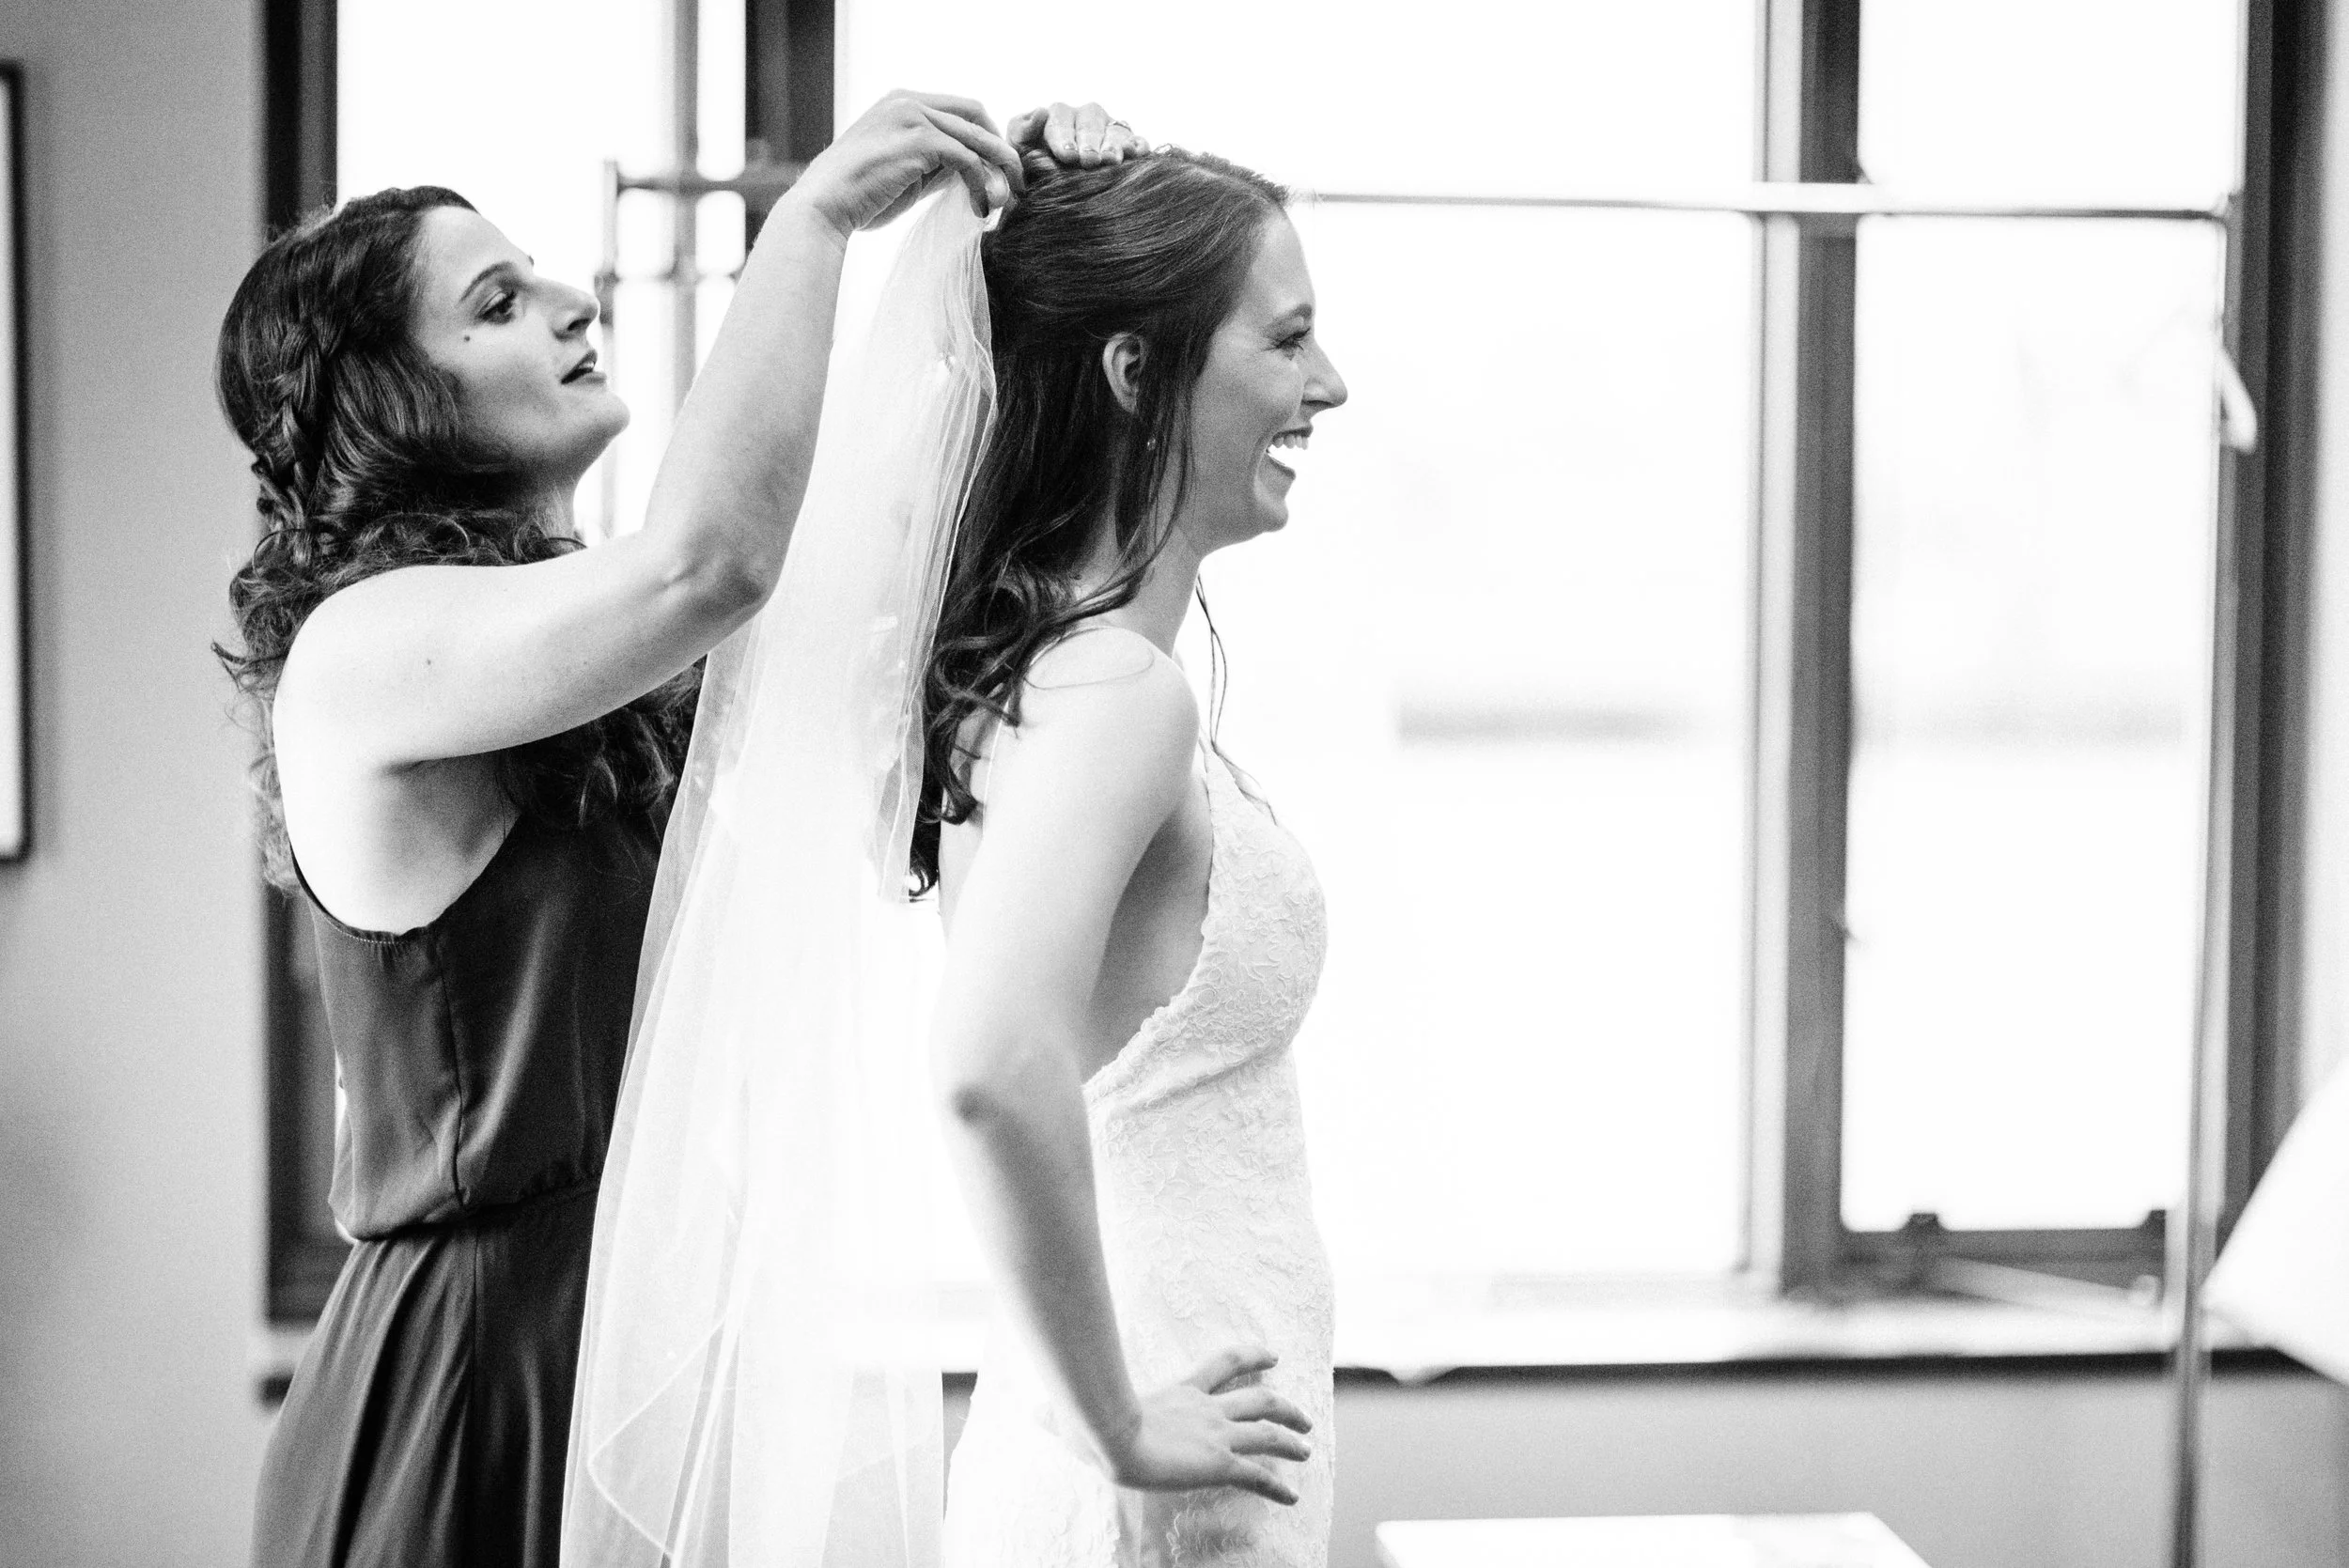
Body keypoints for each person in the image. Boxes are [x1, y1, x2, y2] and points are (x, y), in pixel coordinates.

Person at [212, 91, 1141, 1568]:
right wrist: (821, 219)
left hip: (652, 1331)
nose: (574, 300)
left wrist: (1019, 226)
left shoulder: (595, 661)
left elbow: (905, 565)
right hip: (480, 1372)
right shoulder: (360, 653)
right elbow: (711, 562)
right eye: (497, 303)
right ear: (387, 398)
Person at [925, 147, 1348, 1566]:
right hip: (1163, 1446)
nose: (1328, 385)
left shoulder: (1068, 671)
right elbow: (988, 1066)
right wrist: (1119, 1425)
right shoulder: (1113, 694)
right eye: (1287, 340)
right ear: (1132, 369)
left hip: (1188, 1416)